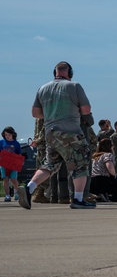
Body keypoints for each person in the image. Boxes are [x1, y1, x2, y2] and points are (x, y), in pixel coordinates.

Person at [18, 61, 96, 210]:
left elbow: (35, 113)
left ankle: (29, 188)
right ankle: (78, 199)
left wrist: (51, 116)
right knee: (81, 164)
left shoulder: (42, 88)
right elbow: (86, 110)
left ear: (55, 73)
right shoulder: (74, 86)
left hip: (51, 133)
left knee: (50, 164)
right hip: (71, 132)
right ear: (70, 73)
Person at [1, 126, 22, 202]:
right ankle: (7, 195)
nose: (7, 136)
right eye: (6, 135)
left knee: (13, 179)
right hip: (4, 164)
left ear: (13, 134)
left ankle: (16, 193)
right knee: (5, 179)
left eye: (9, 135)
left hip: (13, 164)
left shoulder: (16, 143)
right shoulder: (1, 142)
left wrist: (20, 162)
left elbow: (19, 154)